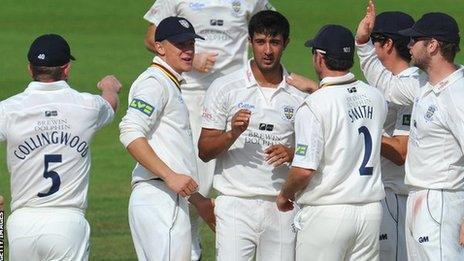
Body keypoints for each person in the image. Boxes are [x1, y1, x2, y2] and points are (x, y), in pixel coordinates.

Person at [143, 2, 274, 259]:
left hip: (238, 96)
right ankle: (190, 249)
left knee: (249, 178)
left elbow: (269, 30)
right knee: (194, 179)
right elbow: (152, 36)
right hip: (193, 96)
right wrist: (194, 57)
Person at [356, 1, 464, 260]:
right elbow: (387, 85)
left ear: (433, 45)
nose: (408, 45)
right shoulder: (423, 85)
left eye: (414, 39)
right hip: (419, 197)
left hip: (443, 200)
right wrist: (363, 44)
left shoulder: (458, 95)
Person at [1, 34, 121, 260]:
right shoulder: (88, 107)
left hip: (21, 225)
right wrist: (110, 87)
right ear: (66, 69)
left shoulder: (8, 110)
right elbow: (110, 104)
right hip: (67, 222)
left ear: (30, 69)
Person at [198, 10, 305, 261]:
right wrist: (232, 133)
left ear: (286, 43)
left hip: (281, 205)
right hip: (235, 203)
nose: (267, 51)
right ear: (249, 42)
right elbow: (204, 150)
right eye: (260, 42)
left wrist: (291, 154)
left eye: (275, 42)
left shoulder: (299, 94)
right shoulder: (225, 87)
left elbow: (314, 152)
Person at [277, 24, 388, 261]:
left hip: (327, 213)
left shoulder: (314, 106)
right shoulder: (376, 97)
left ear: (320, 57)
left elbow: (304, 170)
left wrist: (284, 194)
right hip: (370, 214)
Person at [119, 16, 215, 261]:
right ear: (160, 47)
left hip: (165, 196)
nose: (188, 50)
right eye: (180, 44)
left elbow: (171, 149)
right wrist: (171, 176)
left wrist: (198, 201)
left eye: (191, 44)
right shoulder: (155, 82)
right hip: (159, 196)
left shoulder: (169, 83)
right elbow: (130, 132)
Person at [355, 11, 415, 261]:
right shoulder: (392, 82)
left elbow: (401, 151)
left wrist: (356, 133)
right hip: (383, 195)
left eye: (375, 41)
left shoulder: (411, 88)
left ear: (387, 44)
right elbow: (380, 81)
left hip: (398, 197)